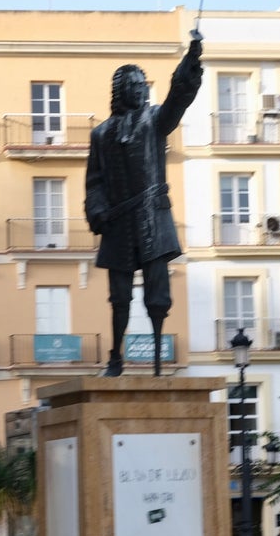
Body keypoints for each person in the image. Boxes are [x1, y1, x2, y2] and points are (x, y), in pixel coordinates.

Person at [85, 32, 204, 377]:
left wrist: (191, 59)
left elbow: (178, 98)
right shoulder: (101, 134)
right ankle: (115, 358)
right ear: (121, 90)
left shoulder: (154, 120)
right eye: (134, 85)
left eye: (142, 85)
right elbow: (95, 181)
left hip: (153, 218)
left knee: (157, 295)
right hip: (118, 224)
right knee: (119, 296)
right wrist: (97, 210)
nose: (140, 90)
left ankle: (156, 362)